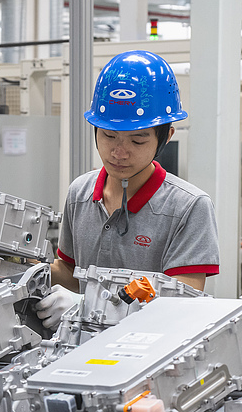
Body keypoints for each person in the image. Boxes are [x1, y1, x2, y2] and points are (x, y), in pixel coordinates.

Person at [35, 50, 220, 328]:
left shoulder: (188, 207)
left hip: (151, 356)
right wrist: (18, 268)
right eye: (109, 135)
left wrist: (86, 306)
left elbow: (184, 304)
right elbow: (70, 272)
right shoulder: (80, 193)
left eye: (137, 140)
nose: (119, 152)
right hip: (78, 347)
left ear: (165, 137)